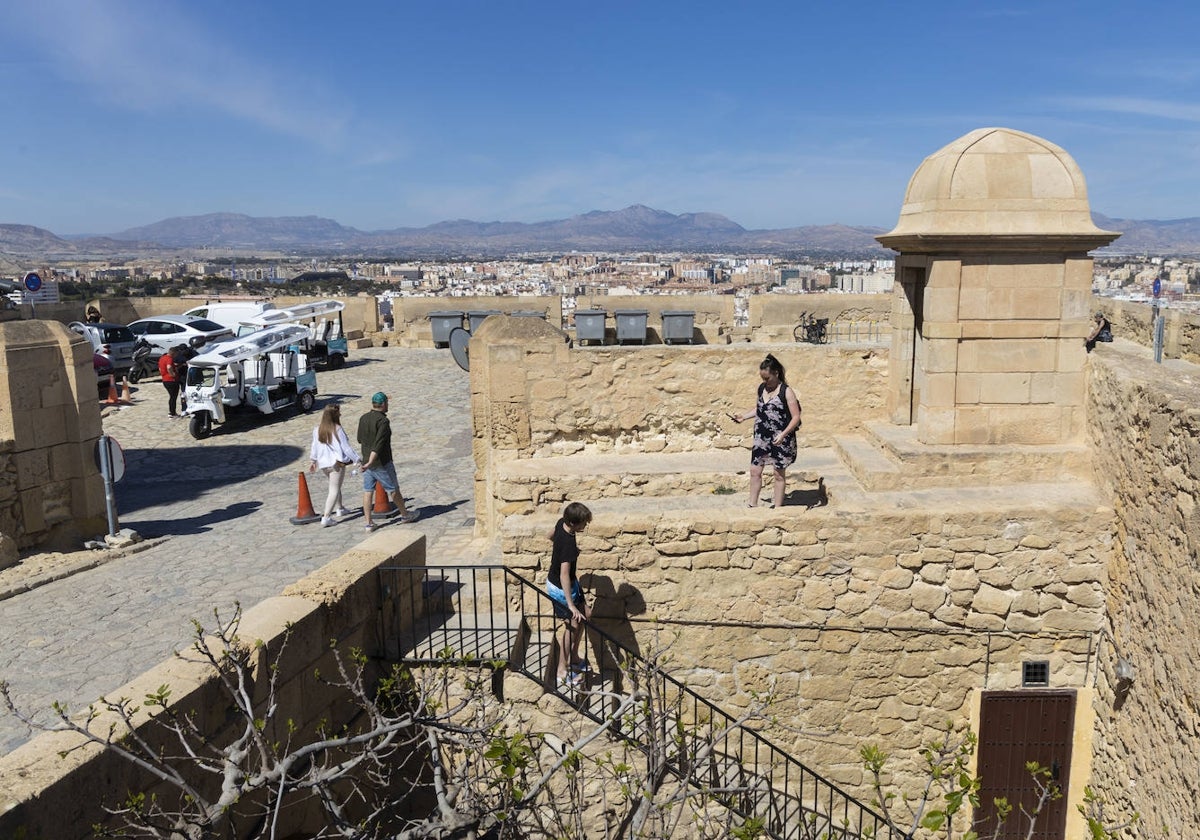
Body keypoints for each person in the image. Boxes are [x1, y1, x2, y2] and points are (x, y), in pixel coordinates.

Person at [732, 354, 802, 508]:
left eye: (767, 378)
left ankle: (777, 508)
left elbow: (796, 417)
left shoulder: (787, 391)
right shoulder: (761, 388)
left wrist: (783, 435)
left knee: (778, 474)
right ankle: (752, 505)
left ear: (776, 373)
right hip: (761, 438)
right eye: (762, 378)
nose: (765, 382)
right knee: (755, 471)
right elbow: (760, 409)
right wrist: (743, 417)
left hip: (780, 439)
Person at [547, 501, 593, 689]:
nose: (585, 526)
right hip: (561, 588)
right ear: (574, 523)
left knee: (587, 615)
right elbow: (563, 575)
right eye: (583, 523)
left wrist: (566, 551)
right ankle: (561, 669)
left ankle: (573, 656)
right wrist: (571, 605)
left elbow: (549, 535)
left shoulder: (562, 523)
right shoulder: (567, 544)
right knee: (572, 626)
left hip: (571, 584)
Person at [356, 392, 418, 531]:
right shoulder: (383, 421)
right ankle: (405, 514)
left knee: (368, 491)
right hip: (380, 462)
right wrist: (371, 461)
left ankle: (368, 523)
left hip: (366, 461)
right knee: (393, 489)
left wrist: (367, 462)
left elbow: (359, 439)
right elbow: (379, 444)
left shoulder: (363, 418)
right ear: (383, 404)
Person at [309, 405, 361, 527]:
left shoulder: (317, 429)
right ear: (335, 415)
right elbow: (346, 448)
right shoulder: (337, 429)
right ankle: (326, 517)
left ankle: (340, 508)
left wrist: (313, 460)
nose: (341, 415)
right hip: (335, 464)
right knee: (334, 489)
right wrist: (357, 459)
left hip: (323, 464)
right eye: (339, 413)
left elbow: (314, 446)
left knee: (335, 486)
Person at [159, 346, 183, 417]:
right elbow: (169, 367)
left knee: (171, 396)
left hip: (165, 380)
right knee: (173, 397)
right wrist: (173, 374)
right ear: (174, 353)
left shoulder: (162, 358)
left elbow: (161, 368)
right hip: (171, 380)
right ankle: (172, 413)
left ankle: (171, 411)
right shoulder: (170, 359)